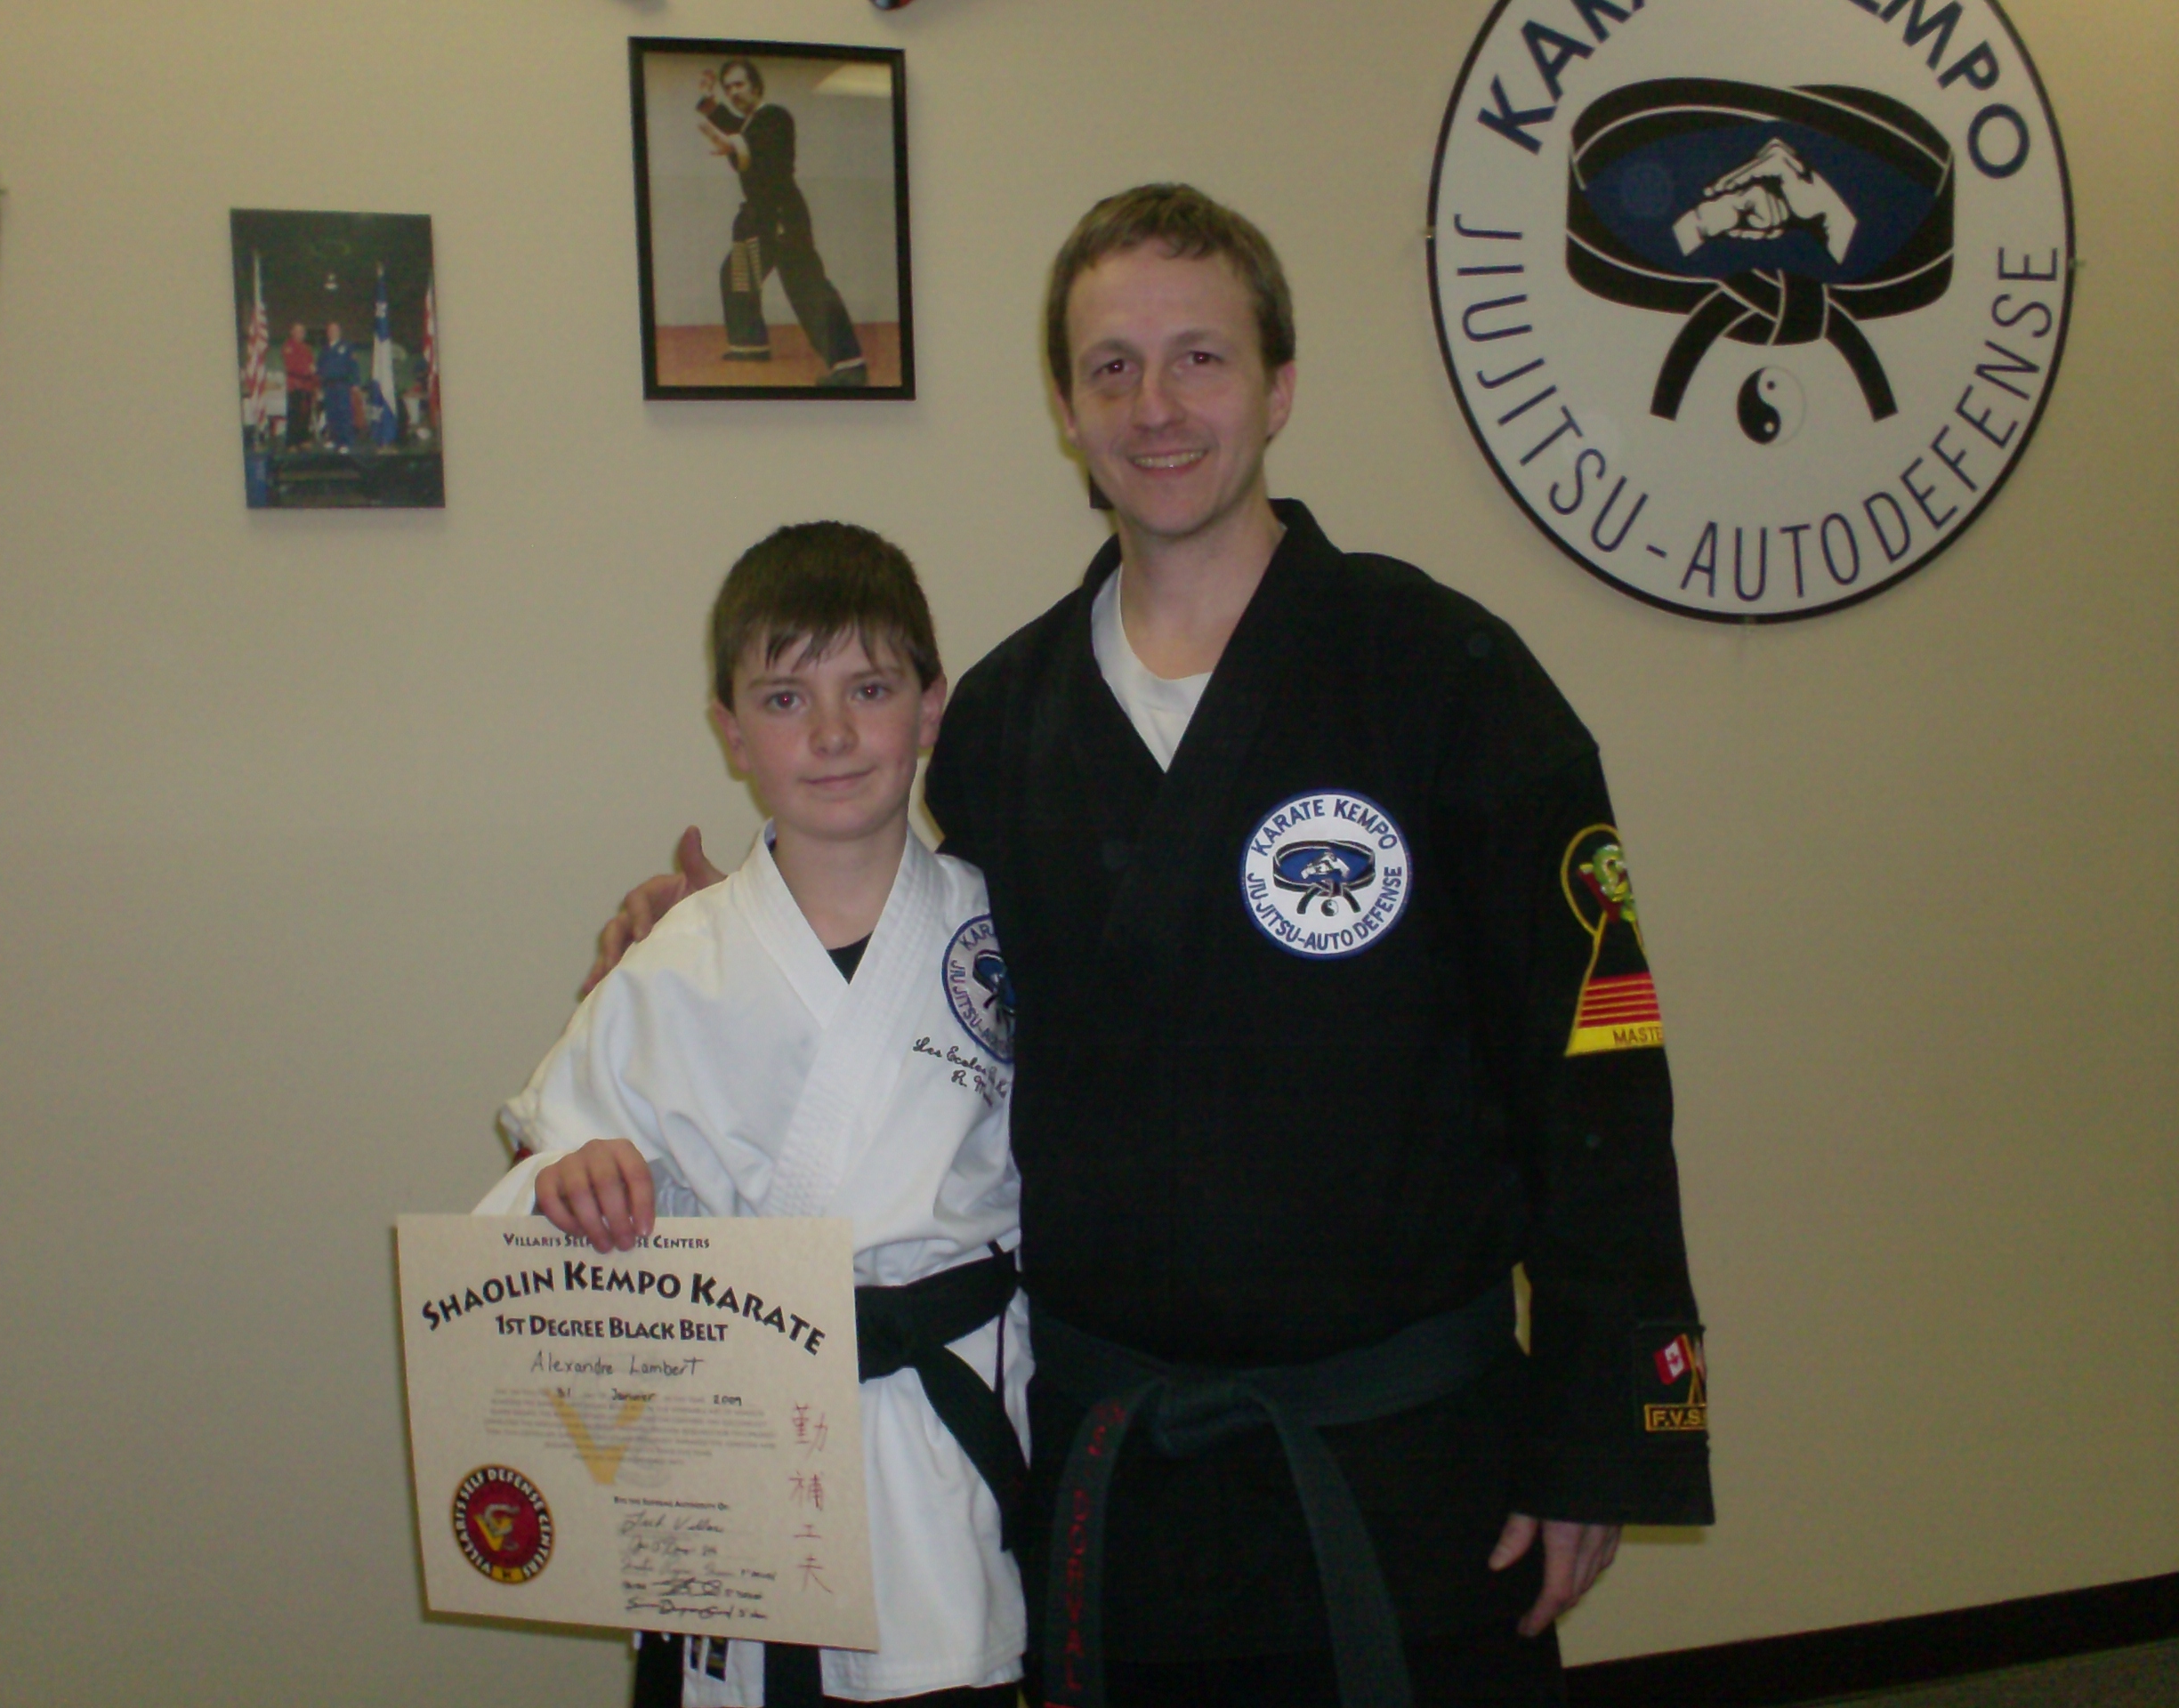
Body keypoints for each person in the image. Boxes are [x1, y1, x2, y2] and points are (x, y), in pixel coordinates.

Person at [584, 186, 1713, 1708]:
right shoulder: (1002, 718)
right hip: (1117, 1475)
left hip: (1407, 1458)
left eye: (1200, 358)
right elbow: (928, 994)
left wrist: (1597, 1430)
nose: (1155, 406)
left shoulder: (1443, 675)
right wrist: (714, 940)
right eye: (1110, 368)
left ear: (1280, 386)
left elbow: (1596, 1061)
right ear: (1066, 409)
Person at [479, 523, 1029, 1708]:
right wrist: (569, 1184)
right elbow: (542, 1193)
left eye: (869, 690)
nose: (830, 735)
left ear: (930, 709)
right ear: (731, 733)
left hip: (946, 1459)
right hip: (728, 1464)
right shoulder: (673, 965)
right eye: (785, 698)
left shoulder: (1007, 937)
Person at [695, 59, 869, 387]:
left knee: (806, 285)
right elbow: (737, 128)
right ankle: (750, 345)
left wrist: (731, 145)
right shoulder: (751, 123)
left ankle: (850, 365)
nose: (733, 92)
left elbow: (760, 146)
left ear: (756, 86)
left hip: (782, 215)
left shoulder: (775, 116)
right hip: (757, 218)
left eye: (739, 84)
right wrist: (711, 105)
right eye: (728, 87)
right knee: (738, 276)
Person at [317, 321, 359, 450]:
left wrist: (355, 382)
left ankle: (346, 442)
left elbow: (353, 366)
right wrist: (319, 386)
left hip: (342, 384)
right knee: (331, 413)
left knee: (344, 413)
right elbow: (320, 368)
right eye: (330, 331)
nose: (332, 333)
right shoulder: (325, 349)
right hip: (328, 386)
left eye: (334, 330)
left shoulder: (347, 347)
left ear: (339, 332)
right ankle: (334, 439)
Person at [280, 324, 317, 450]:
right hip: (295, 385)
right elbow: (291, 365)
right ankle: (291, 442)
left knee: (305, 414)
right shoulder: (288, 347)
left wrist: (314, 379)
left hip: (307, 386)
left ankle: (303, 439)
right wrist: (307, 370)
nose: (300, 334)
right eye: (297, 331)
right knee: (294, 414)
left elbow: (312, 364)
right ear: (292, 332)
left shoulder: (307, 348)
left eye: (302, 332)